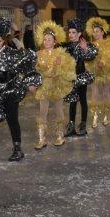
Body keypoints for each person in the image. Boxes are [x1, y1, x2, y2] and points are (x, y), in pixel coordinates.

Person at [0, 17, 41, 162]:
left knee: (12, 119)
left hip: (11, 90)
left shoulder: (11, 54)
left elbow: (27, 65)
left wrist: (31, 81)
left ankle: (18, 149)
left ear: (3, 42)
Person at [33, 20, 76, 149]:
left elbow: (65, 71)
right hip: (44, 86)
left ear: (55, 41)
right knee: (42, 112)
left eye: (49, 39)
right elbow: (36, 71)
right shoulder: (38, 54)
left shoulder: (60, 54)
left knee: (59, 109)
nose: (46, 42)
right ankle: (42, 139)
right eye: (45, 39)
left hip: (58, 85)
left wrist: (58, 66)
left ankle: (60, 136)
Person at [61, 18, 97, 137]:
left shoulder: (83, 45)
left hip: (81, 77)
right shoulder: (66, 46)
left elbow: (92, 55)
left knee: (82, 100)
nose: (70, 35)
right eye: (69, 32)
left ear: (79, 33)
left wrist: (85, 48)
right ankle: (71, 126)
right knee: (72, 101)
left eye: (73, 32)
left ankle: (82, 125)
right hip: (70, 78)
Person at [85, 17, 110, 127]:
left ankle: (106, 115)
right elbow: (88, 58)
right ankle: (94, 116)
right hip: (94, 71)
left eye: (97, 32)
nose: (95, 34)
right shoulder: (91, 45)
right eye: (93, 32)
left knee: (105, 93)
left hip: (106, 71)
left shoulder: (109, 43)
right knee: (94, 93)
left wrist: (103, 61)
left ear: (103, 32)